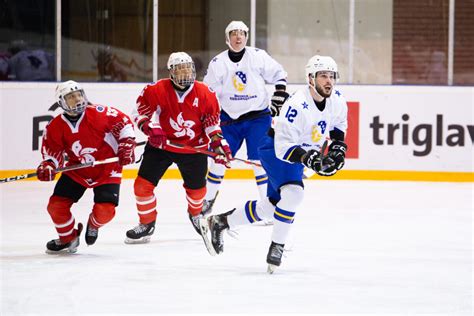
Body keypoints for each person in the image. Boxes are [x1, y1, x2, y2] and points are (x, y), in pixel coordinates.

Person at [204, 55, 349, 273]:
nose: (328, 81)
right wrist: (310, 159)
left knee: (273, 207)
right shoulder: (296, 105)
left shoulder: (337, 99)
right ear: (311, 79)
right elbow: (283, 147)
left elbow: (338, 127)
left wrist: (338, 149)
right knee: (294, 194)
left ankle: (222, 222)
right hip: (275, 150)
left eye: (331, 76)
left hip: (301, 153)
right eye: (323, 76)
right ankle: (277, 247)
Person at [124, 52, 232, 244]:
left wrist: (218, 144)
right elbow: (139, 114)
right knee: (141, 187)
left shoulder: (206, 93)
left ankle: (195, 214)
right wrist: (150, 129)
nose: (185, 72)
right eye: (180, 68)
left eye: (188, 68)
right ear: (171, 71)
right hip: (162, 146)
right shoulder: (155, 90)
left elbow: (212, 124)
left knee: (198, 193)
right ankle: (147, 224)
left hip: (194, 149)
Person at [37, 80, 136, 253]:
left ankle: (94, 224)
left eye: (79, 95)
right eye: (71, 97)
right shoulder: (55, 126)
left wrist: (126, 144)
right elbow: (52, 154)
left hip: (107, 168)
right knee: (56, 206)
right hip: (77, 169)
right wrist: (48, 166)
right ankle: (68, 238)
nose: (77, 99)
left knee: (105, 211)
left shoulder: (99, 112)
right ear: (61, 102)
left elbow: (124, 124)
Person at [201, 21, 289, 215]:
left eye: (242, 33)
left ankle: (267, 205)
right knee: (218, 159)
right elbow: (208, 92)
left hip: (258, 117)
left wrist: (280, 91)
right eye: (234, 33)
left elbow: (278, 73)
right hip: (228, 120)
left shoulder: (257, 56)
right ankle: (207, 202)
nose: (238, 37)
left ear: (247, 37)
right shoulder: (218, 62)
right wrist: (207, 117)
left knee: (260, 162)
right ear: (227, 38)